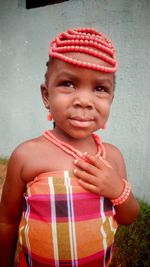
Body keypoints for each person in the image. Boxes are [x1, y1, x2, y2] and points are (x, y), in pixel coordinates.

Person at [0, 27, 139, 267]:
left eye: (100, 88)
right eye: (68, 84)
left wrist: (117, 190)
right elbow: (7, 220)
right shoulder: (26, 156)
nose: (84, 101)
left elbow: (128, 217)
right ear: (46, 95)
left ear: (111, 100)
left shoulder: (111, 156)